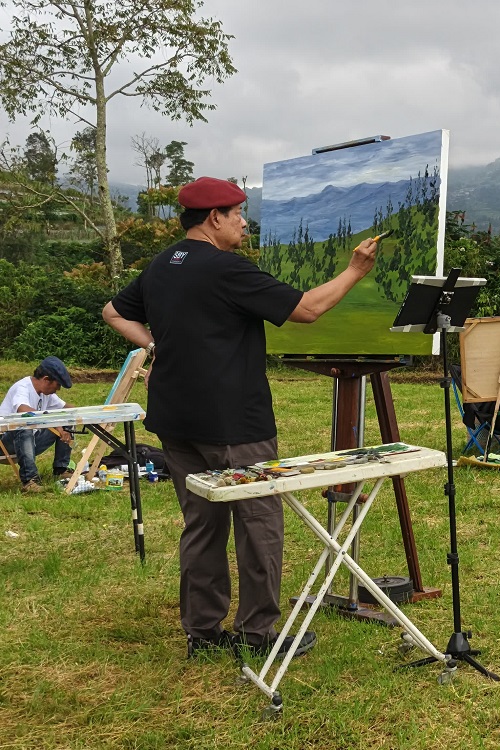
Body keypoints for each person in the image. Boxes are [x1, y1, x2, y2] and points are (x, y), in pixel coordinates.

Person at [102, 176, 378, 660]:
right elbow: (308, 309)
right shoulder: (227, 269)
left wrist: (155, 345)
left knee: (202, 525)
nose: (245, 224)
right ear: (215, 218)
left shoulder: (163, 264)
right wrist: (355, 270)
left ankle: (203, 633)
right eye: (238, 214)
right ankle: (257, 633)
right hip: (234, 423)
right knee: (259, 523)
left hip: (176, 421)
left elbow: (112, 311)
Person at [0, 356, 75, 493]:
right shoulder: (22, 387)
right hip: (4, 443)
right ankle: (30, 481)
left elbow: (66, 408)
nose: (58, 389)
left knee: (66, 419)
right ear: (46, 379)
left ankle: (61, 469)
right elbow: (23, 411)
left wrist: (86, 414)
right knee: (23, 423)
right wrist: (52, 421)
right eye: (57, 385)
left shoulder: (46, 393)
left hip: (29, 442)